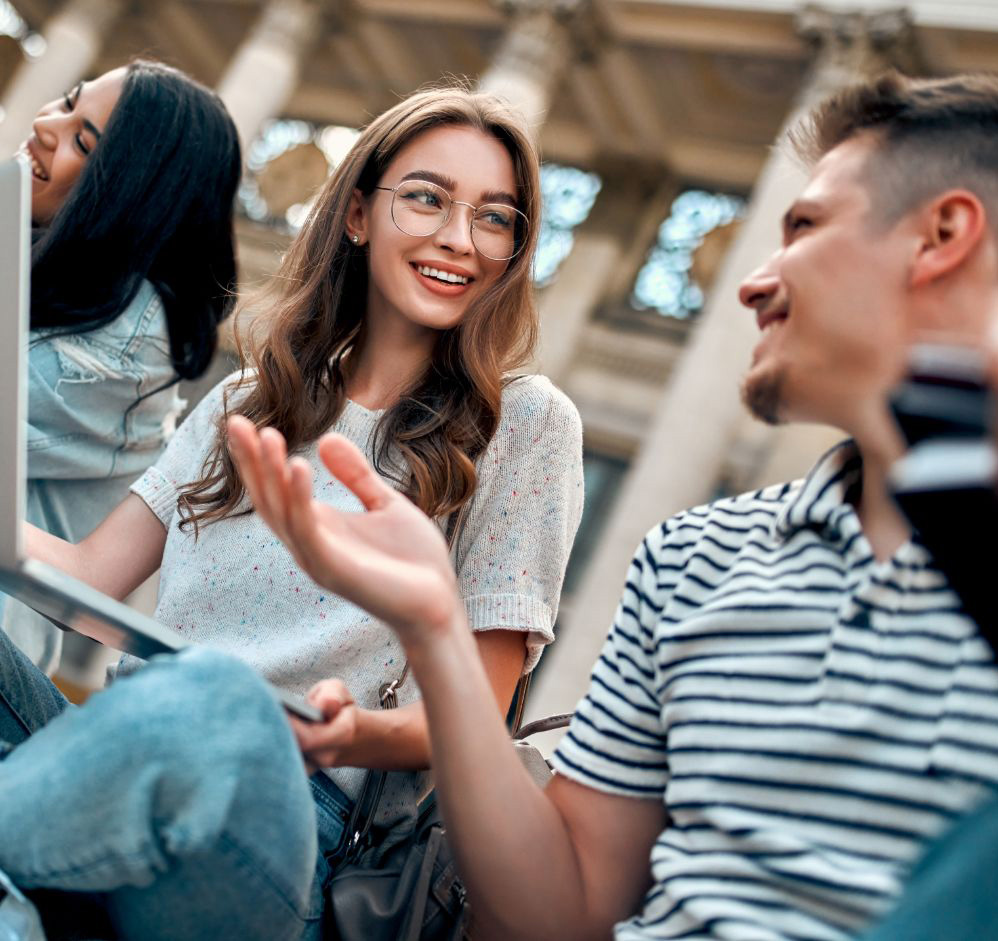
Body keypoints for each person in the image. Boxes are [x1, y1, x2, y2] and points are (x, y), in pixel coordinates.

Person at [226, 70, 998, 941]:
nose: (751, 285)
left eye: (805, 228)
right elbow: (562, 914)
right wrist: (440, 631)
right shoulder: (693, 558)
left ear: (943, 234)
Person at [7, 85, 583, 938]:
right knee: (190, 687)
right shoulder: (248, 398)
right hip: (127, 747)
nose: (460, 240)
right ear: (356, 213)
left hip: (289, 821)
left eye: (496, 219)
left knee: (217, 692)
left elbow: (461, 722)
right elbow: (89, 577)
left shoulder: (526, 425)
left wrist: (345, 735)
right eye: (427, 198)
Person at [5, 59, 241, 671]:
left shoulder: (127, 334)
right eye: (64, 101)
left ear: (134, 190)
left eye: (84, 139)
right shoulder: (44, 261)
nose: (43, 124)